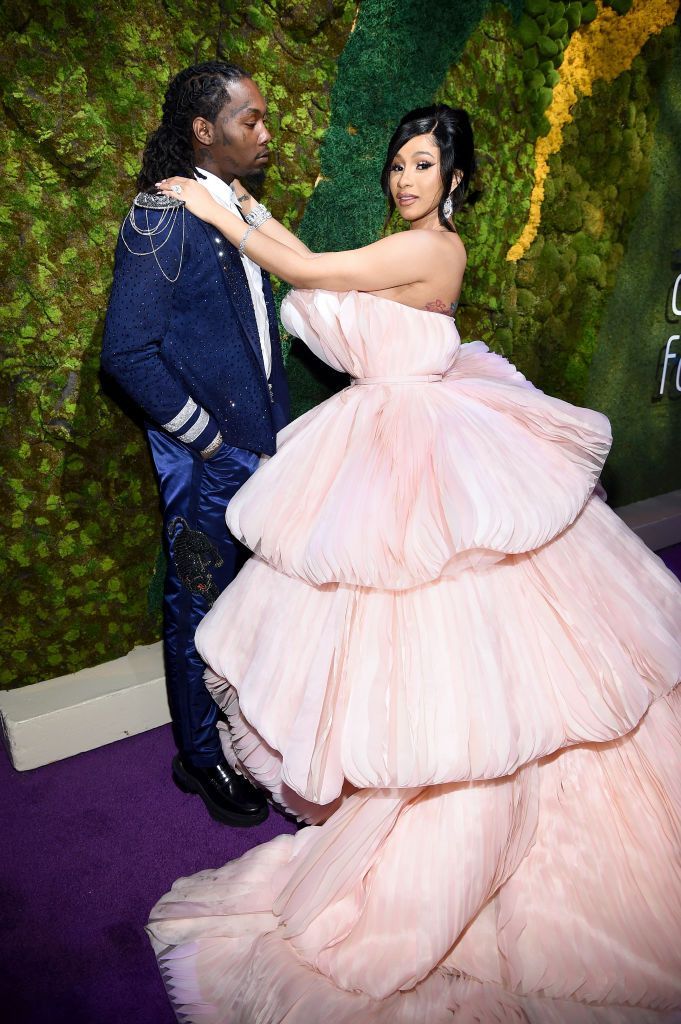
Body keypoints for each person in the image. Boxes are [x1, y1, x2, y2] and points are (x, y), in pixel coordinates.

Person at [146, 105, 681, 1021]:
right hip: (384, 436)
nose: (404, 179)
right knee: (381, 616)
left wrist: (213, 210)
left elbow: (310, 273)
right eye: (398, 163)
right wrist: (245, 202)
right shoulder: (400, 247)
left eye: (423, 165)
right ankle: (390, 764)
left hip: (424, 444)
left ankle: (457, 784)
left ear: (453, 179)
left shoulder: (433, 250)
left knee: (454, 611)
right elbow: (321, 262)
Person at [101, 61, 290, 827]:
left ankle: (243, 731)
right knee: (199, 610)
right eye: (251, 119)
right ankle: (199, 756)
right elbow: (126, 354)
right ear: (204, 130)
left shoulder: (234, 203)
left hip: (259, 452)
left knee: (249, 607)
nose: (267, 132)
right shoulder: (162, 214)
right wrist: (208, 443)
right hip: (208, 464)